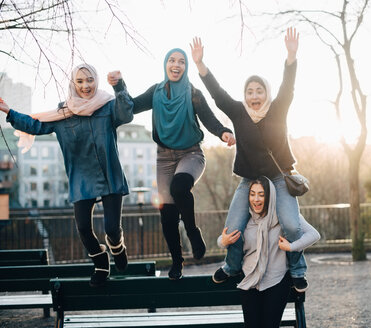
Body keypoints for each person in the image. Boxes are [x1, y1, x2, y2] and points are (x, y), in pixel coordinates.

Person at [191, 27, 311, 291]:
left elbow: (287, 86)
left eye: (259, 91)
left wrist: (291, 56)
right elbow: (217, 93)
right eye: (250, 92)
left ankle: (297, 270)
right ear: (245, 95)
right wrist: (200, 64)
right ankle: (232, 267)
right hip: (250, 181)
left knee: (291, 225)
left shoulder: (278, 109)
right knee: (233, 227)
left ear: (265, 93)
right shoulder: (237, 111)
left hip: (279, 179)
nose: (254, 96)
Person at [107, 48, 236, 280]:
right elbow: (130, 107)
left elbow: (209, 119)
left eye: (182, 62)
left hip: (191, 154)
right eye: (172, 61)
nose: (176, 65)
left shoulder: (193, 93)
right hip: (164, 158)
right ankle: (177, 262)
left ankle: (193, 232)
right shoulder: (155, 92)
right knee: (167, 214)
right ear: (166, 64)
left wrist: (223, 132)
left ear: (186, 67)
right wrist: (119, 85)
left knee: (179, 187)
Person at [0, 64, 133, 287]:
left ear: (96, 80)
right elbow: (36, 125)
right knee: (83, 228)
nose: (85, 85)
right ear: (73, 84)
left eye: (89, 80)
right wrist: (9, 111)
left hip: (109, 175)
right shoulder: (64, 113)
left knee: (111, 228)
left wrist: (119, 86)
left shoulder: (108, 106)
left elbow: (126, 113)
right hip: (82, 179)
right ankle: (101, 263)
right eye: (80, 81)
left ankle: (117, 246)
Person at [218, 176, 319, 328]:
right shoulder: (244, 220)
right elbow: (223, 239)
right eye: (252, 194)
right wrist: (223, 242)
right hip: (249, 281)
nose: (256, 199)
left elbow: (314, 234)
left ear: (270, 196)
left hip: (277, 282)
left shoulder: (285, 218)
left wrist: (291, 247)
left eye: (261, 194)